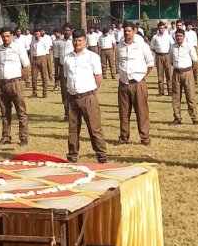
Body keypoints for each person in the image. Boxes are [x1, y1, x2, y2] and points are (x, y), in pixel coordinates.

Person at [64, 29, 108, 163]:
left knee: (94, 128)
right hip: (72, 98)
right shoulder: (67, 58)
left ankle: (101, 155)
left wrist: (91, 90)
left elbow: (98, 77)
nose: (77, 43)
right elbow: (67, 77)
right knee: (73, 129)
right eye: (75, 40)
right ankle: (72, 155)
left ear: (85, 41)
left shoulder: (92, 56)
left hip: (88, 96)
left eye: (80, 40)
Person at [116, 21, 154, 146]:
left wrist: (141, 77)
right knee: (123, 112)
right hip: (124, 83)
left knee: (142, 112)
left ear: (135, 31)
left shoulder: (142, 45)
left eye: (129, 30)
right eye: (125, 31)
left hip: (138, 83)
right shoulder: (120, 46)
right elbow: (118, 63)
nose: (127, 33)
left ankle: (144, 138)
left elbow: (150, 64)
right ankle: (123, 137)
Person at [0, 27, 31, 145]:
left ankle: (23, 137)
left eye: (8, 36)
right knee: (5, 112)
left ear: (11, 36)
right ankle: (6, 136)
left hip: (15, 83)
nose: (6, 38)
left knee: (21, 111)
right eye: (3, 36)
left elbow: (26, 66)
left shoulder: (18, 47)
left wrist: (21, 80)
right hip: (3, 84)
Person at [169, 27, 198, 125]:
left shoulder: (189, 46)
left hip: (187, 73)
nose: (178, 38)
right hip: (176, 73)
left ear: (184, 37)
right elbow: (171, 61)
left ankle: (194, 117)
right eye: (177, 36)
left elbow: (195, 61)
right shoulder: (172, 47)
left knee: (190, 96)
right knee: (176, 96)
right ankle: (177, 117)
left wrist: (190, 71)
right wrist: (178, 68)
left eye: (180, 36)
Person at [149, 21, 172, 96]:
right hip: (159, 56)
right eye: (160, 28)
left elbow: (172, 45)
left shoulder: (168, 36)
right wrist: (157, 53)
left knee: (168, 74)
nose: (162, 29)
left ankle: (170, 91)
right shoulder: (155, 37)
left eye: (163, 28)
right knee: (160, 74)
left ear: (164, 29)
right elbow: (152, 47)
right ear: (158, 29)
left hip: (167, 56)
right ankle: (161, 91)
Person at [30, 27, 52, 97]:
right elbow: (32, 51)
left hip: (42, 57)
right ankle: (34, 92)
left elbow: (47, 50)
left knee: (44, 76)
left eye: (38, 34)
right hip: (35, 58)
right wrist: (31, 60)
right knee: (34, 76)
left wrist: (44, 59)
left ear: (40, 33)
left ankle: (44, 93)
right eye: (35, 34)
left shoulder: (44, 41)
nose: (36, 35)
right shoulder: (33, 41)